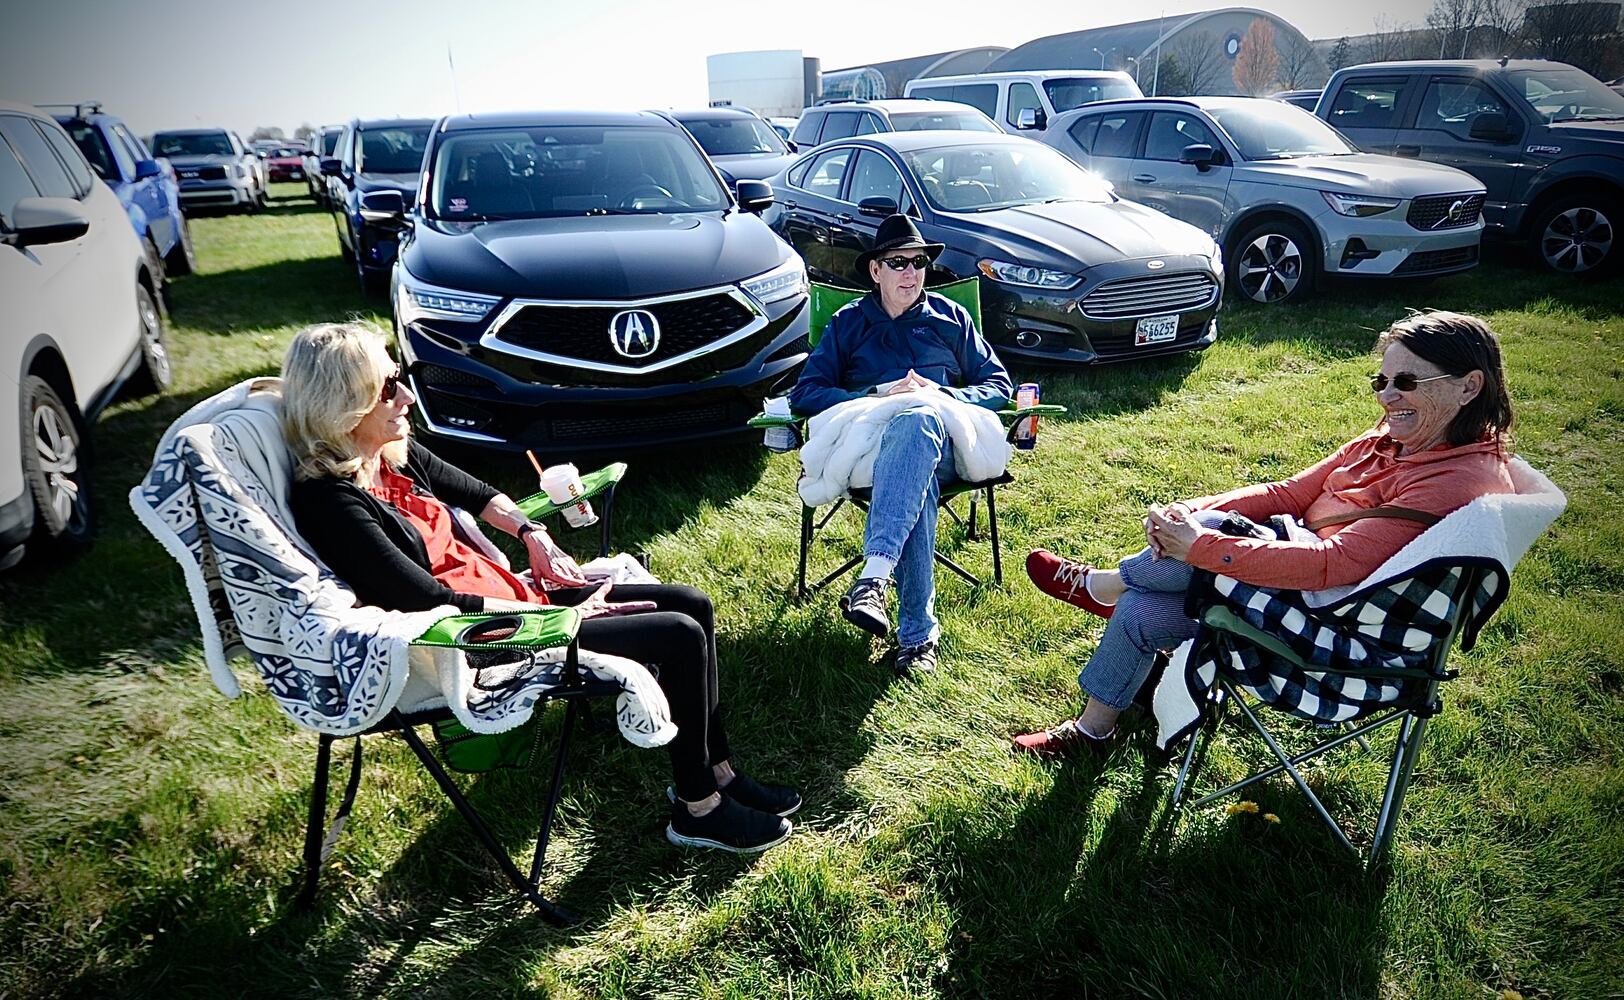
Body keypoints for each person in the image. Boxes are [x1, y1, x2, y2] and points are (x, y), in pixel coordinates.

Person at [281, 322, 798, 852]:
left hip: (516, 597)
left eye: (399, 379)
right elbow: (426, 603)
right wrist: (564, 619)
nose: (407, 395)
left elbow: (478, 492)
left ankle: (720, 773)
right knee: (678, 635)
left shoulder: (391, 456)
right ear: (345, 403)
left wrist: (534, 534)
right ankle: (699, 807)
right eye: (389, 388)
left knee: (692, 602)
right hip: (486, 634)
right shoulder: (333, 503)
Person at [1016, 310, 1517, 756]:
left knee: (1206, 537)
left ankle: (1103, 583)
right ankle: (1093, 728)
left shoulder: (1454, 480)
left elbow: (1333, 566)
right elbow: (1288, 495)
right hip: (1291, 576)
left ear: (1469, 387)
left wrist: (1200, 541)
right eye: (1380, 381)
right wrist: (1187, 510)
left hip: (1328, 625)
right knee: (1143, 605)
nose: (1387, 398)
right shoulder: (1393, 439)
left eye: (1406, 382)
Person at [789, 214, 1014, 674]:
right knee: (915, 461)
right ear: (876, 271)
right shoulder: (848, 323)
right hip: (869, 450)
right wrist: (877, 394)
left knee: (921, 423)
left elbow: (998, 384)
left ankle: (874, 579)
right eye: (897, 263)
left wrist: (941, 394)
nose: (910, 272)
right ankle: (918, 639)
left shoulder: (952, 319)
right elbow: (806, 392)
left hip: (947, 446)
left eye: (918, 262)